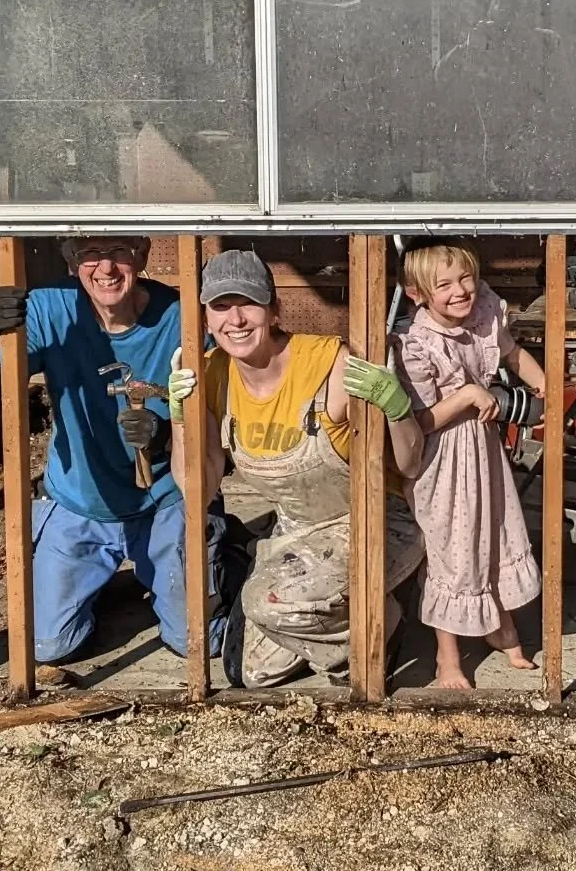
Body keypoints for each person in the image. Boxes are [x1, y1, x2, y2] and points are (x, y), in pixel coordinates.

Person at [0, 236, 227, 664]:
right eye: (89, 254)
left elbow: (217, 412)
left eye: (119, 252)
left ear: (142, 256)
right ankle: (103, 576)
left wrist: (168, 432)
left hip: (164, 498)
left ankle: (217, 549)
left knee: (198, 643)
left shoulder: (181, 317)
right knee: (49, 646)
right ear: (70, 262)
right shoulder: (50, 310)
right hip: (81, 500)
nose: (106, 269)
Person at [168, 249, 425, 689]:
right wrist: (180, 420)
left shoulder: (327, 363)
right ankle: (332, 617)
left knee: (264, 605)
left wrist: (398, 408)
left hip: (376, 521)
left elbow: (411, 462)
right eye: (221, 306)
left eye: (247, 303)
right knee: (251, 674)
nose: (236, 319)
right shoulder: (211, 375)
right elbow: (198, 487)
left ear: (273, 310)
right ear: (206, 318)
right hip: (297, 528)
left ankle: (382, 621)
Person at [393, 240, 543, 690]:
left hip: (483, 449)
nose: (461, 291)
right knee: (452, 552)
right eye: (444, 285)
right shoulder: (414, 344)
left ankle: (500, 627)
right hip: (440, 459)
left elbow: (512, 352)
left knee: (495, 534)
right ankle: (447, 657)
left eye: (466, 278)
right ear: (417, 293)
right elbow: (418, 422)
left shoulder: (485, 314)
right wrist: (467, 396)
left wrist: (544, 387)